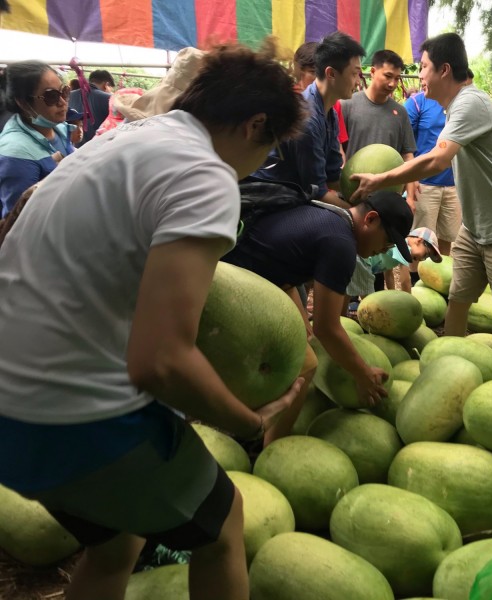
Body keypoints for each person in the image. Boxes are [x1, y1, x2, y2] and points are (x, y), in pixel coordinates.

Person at [0, 42, 307, 600]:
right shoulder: (203, 174)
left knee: (117, 545)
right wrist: (245, 422)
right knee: (224, 526)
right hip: (69, 416)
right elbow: (160, 360)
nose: (259, 166)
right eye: (269, 150)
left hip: (9, 405)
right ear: (255, 124)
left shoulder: (125, 137)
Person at [349, 32, 492, 353]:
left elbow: (438, 158)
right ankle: (448, 358)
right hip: (476, 228)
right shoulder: (455, 107)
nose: (420, 75)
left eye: (425, 67)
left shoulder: (471, 102)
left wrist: (382, 178)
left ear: (444, 70)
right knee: (457, 300)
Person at [223, 190, 413, 405]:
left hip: (235, 270)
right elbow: (327, 328)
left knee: (303, 341)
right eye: (386, 243)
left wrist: (305, 331)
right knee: (305, 366)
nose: (381, 251)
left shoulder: (327, 214)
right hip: (228, 287)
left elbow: (282, 274)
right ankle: (270, 436)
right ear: (370, 219)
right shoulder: (341, 244)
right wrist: (363, 374)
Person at [251, 32, 365, 208]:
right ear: (331, 74)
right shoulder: (308, 119)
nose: (358, 82)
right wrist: (359, 213)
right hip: (267, 203)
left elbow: (333, 176)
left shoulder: (330, 114)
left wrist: (364, 192)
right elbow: (317, 192)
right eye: (354, 74)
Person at [340, 49, 417, 305]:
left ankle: (375, 309)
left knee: (382, 253)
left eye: (397, 78)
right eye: (387, 76)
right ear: (371, 72)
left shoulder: (400, 112)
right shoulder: (348, 105)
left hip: (388, 201)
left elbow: (408, 156)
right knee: (348, 255)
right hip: (354, 198)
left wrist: (412, 195)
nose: (393, 83)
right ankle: (345, 311)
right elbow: (338, 147)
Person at [0, 60, 73, 217]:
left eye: (64, 92)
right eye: (51, 96)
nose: (62, 102)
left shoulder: (58, 128)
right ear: (24, 103)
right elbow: (19, 221)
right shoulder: (16, 153)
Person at [405, 81, 460, 256]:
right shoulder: (416, 103)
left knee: (446, 239)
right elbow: (405, 145)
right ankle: (415, 282)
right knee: (418, 239)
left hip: (454, 185)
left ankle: (438, 280)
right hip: (424, 184)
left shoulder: (458, 103)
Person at [371, 226, 443, 292]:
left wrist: (392, 294)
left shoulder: (396, 246)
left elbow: (388, 273)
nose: (421, 259)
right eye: (425, 255)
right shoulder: (404, 246)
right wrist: (409, 302)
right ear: (419, 241)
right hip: (362, 264)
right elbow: (405, 281)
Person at [68, 69, 115, 145]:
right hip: (97, 149)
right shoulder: (110, 99)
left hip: (74, 149)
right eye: (111, 88)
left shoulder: (69, 96)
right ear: (106, 85)